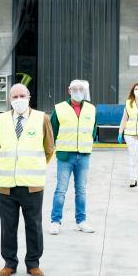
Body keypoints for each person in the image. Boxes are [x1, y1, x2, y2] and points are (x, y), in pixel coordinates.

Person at [0, 84, 55, 276]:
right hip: (6, 184)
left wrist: (34, 166)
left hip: (32, 183)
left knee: (33, 225)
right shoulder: (0, 120)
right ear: (10, 100)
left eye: (22, 95)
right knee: (8, 226)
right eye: (15, 96)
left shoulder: (42, 118)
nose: (18, 99)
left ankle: (33, 263)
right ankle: (9, 263)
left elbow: (49, 148)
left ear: (29, 97)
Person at [49, 79, 97, 234]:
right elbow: (52, 131)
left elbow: (93, 130)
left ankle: (81, 221)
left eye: (80, 89)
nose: (78, 91)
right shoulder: (60, 108)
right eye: (74, 89)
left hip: (83, 155)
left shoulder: (91, 109)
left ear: (84, 91)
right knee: (61, 190)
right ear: (69, 91)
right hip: (65, 156)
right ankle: (55, 221)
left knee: (81, 190)